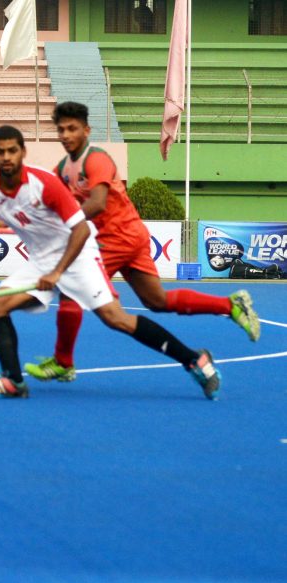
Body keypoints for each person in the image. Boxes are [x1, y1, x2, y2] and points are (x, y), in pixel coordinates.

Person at [0, 125, 221, 400]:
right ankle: (13, 382)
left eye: (12, 150)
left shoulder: (44, 183)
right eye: (1, 152)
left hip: (78, 254)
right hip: (42, 261)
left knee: (116, 319)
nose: (7, 156)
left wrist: (58, 272)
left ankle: (194, 360)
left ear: (23, 152)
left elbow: (79, 229)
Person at [24, 102, 259, 383]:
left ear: (86, 130)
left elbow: (97, 204)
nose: (65, 134)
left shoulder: (96, 159)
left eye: (72, 128)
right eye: (61, 129)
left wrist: (64, 222)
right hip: (131, 235)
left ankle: (63, 362)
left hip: (117, 238)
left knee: (72, 290)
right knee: (156, 300)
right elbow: (54, 205)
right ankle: (230, 305)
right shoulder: (62, 168)